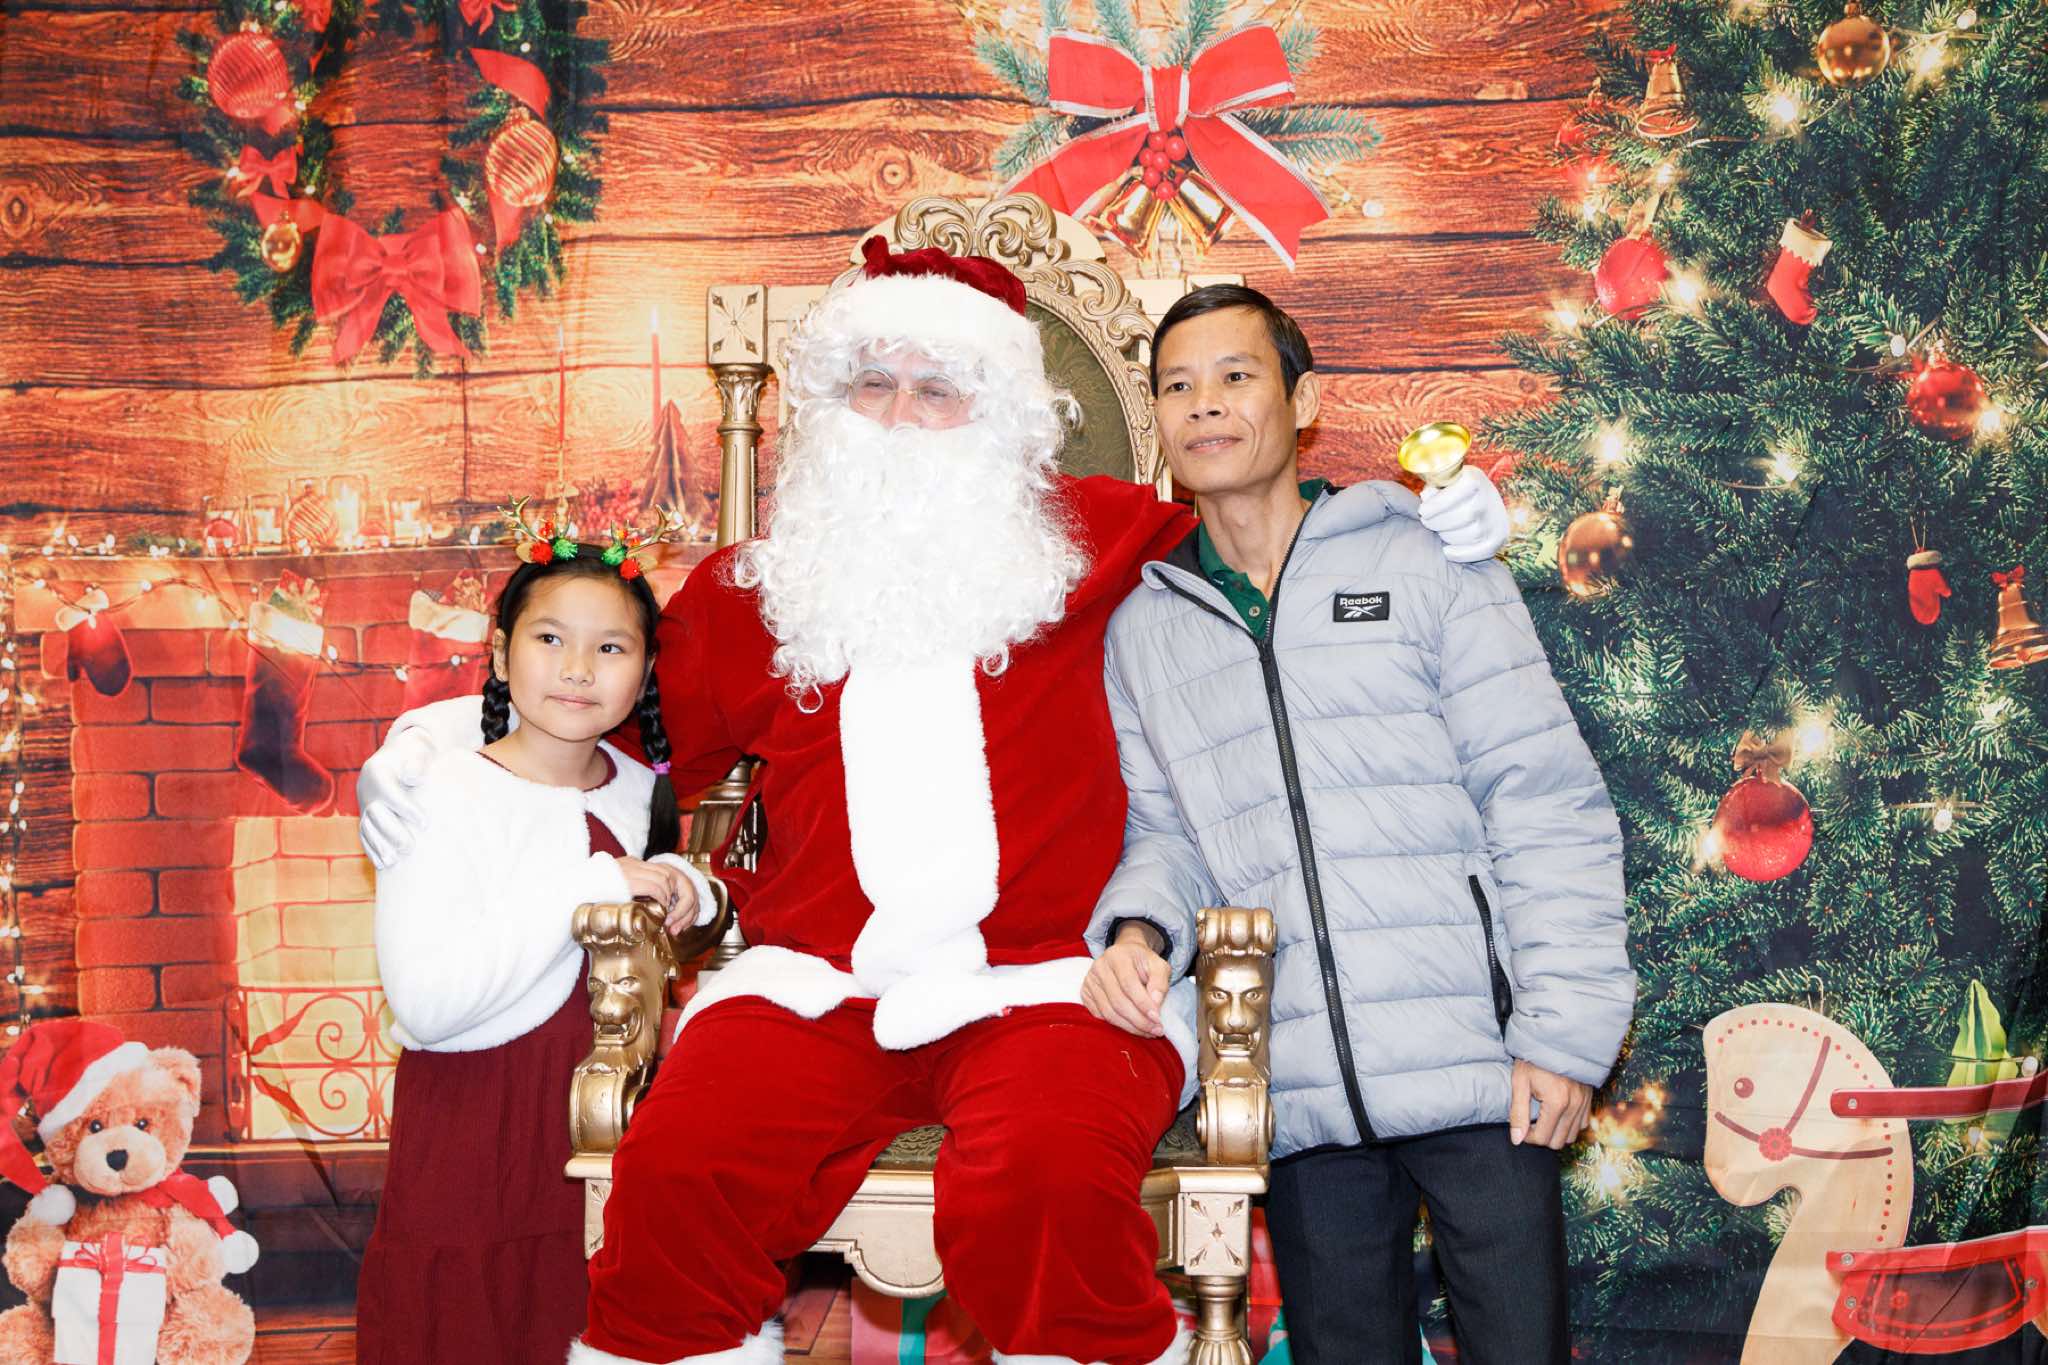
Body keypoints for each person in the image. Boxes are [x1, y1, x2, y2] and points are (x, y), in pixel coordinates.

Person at [352, 241, 1513, 1365]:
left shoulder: (1103, 539)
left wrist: (1421, 528)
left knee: (1042, 1185)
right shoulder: (757, 591)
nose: (898, 416)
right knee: (678, 1173)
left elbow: (1272, 545)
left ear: (995, 411)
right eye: (871, 383)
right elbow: (607, 715)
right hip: (817, 984)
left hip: (1051, 984)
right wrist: (445, 738)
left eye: (936, 389)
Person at [1081, 284, 1633, 1365]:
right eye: (1178, 386)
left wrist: (1563, 1034)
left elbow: (1539, 795)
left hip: (1483, 1069)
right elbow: (1167, 832)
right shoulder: (1144, 627)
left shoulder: (1422, 561)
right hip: (1298, 1093)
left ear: (1303, 403)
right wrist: (1138, 931)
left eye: (1236, 376)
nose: (1206, 405)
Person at [355, 537, 712, 1365]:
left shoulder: (643, 792)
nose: (578, 669)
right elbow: (425, 1003)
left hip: (607, 1139)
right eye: (550, 638)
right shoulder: (441, 792)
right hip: (473, 1136)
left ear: (645, 670)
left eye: (611, 647)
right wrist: (591, 882)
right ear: (500, 651)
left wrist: (686, 890)